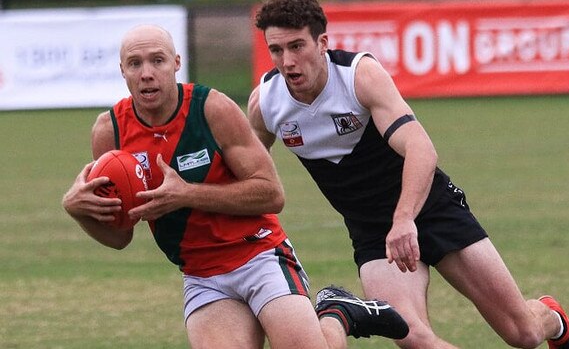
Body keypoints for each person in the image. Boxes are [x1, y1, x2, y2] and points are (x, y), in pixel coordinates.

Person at [248, 0, 569, 349]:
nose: (288, 61)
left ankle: (551, 316)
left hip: (431, 209)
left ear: (322, 43)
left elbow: (421, 148)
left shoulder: (358, 76)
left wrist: (405, 219)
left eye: (297, 46)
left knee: (524, 334)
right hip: (374, 233)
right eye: (277, 50)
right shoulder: (266, 104)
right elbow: (252, 176)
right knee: (412, 338)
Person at [61, 24, 408, 349]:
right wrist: (79, 211)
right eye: (134, 63)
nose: (146, 72)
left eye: (157, 60)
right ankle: (336, 314)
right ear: (122, 71)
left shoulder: (211, 108)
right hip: (200, 274)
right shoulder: (110, 133)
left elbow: (272, 193)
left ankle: (337, 313)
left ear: (176, 63)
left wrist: (187, 194)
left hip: (258, 254)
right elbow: (120, 237)